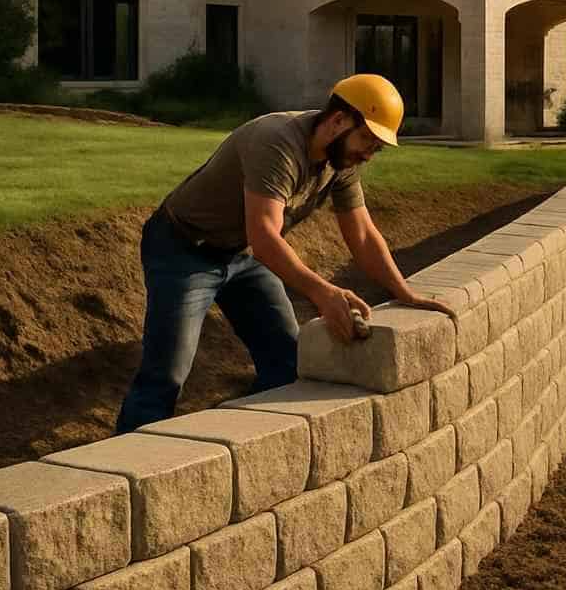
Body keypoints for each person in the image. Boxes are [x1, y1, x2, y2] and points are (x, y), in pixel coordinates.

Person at [114, 74, 454, 433]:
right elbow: (264, 237)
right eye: (367, 139)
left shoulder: (341, 162)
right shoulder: (277, 142)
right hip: (183, 250)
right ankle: (119, 471)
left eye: (377, 147)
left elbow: (364, 235)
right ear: (338, 121)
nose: (369, 152)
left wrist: (404, 292)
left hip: (240, 254)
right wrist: (324, 293)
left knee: (286, 363)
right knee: (166, 373)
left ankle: (240, 442)